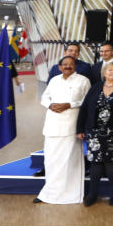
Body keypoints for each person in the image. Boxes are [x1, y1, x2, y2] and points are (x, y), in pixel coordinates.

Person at [35, 57, 91, 205]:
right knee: (51, 161)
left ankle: (72, 194)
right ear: (59, 67)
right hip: (52, 126)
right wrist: (51, 105)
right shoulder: (54, 80)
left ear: (75, 66)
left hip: (71, 126)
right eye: (64, 65)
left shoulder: (83, 81)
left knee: (69, 161)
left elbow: (87, 102)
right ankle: (49, 193)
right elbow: (44, 97)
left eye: (71, 65)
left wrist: (69, 104)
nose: (68, 67)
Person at [76, 62, 113, 206]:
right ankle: (92, 194)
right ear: (104, 73)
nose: (112, 72)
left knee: (112, 162)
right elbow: (84, 108)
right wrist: (80, 129)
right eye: (109, 70)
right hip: (94, 132)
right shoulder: (95, 87)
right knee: (96, 163)